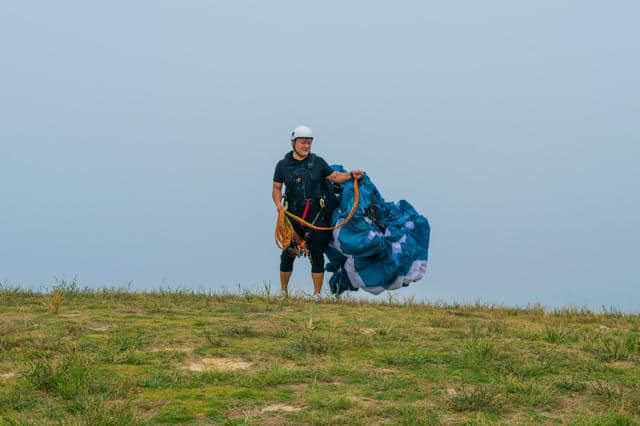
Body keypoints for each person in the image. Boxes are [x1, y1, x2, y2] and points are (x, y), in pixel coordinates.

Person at [272, 125, 364, 299]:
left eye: (309, 143)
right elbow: (276, 188)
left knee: (317, 254)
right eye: (302, 143)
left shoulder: (318, 163)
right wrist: (278, 204)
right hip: (293, 217)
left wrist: (351, 175)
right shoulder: (282, 165)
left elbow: (335, 177)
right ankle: (283, 292)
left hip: (316, 217)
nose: (306, 146)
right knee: (287, 254)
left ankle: (317, 294)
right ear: (293, 143)